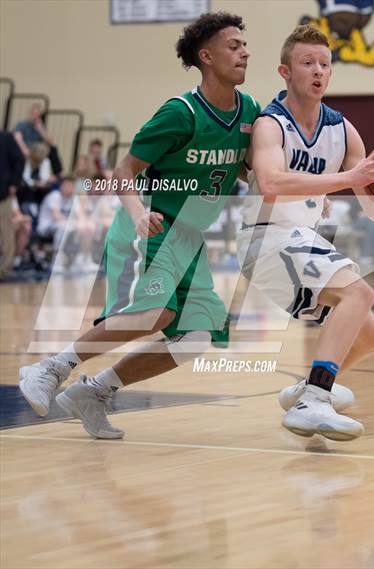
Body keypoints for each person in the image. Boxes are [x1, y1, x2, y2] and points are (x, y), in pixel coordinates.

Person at [19, 12, 261, 439]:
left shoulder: (249, 111)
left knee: (195, 336)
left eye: (244, 45)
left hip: (189, 236)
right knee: (154, 311)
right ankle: (50, 368)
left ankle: (94, 391)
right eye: (234, 45)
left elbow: (244, 169)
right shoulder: (180, 113)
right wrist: (136, 216)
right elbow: (123, 170)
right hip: (151, 223)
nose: (245, 51)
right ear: (207, 57)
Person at [237, 25, 374, 441]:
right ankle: (314, 400)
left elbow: (372, 208)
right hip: (265, 237)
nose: (317, 71)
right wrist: (346, 176)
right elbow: (272, 184)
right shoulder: (271, 124)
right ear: (285, 71)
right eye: (307, 63)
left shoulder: (343, 130)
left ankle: (308, 390)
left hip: (298, 242)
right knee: (360, 293)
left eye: (324, 64)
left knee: (370, 336)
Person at [0, 130, 25, 279]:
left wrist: (14, 183)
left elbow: (19, 159)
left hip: (2, 194)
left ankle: (5, 269)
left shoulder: (5, 138)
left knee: (6, 232)